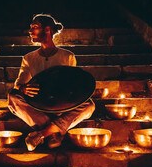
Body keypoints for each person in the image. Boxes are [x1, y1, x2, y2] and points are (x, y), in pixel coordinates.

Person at [7, 14, 95, 151]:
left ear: (47, 30)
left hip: (63, 106)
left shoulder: (68, 56)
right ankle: (54, 132)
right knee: (12, 97)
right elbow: (18, 85)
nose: (30, 31)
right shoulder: (28, 58)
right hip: (38, 106)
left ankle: (42, 134)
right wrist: (23, 88)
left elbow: (75, 84)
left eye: (35, 27)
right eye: (31, 28)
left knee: (89, 105)